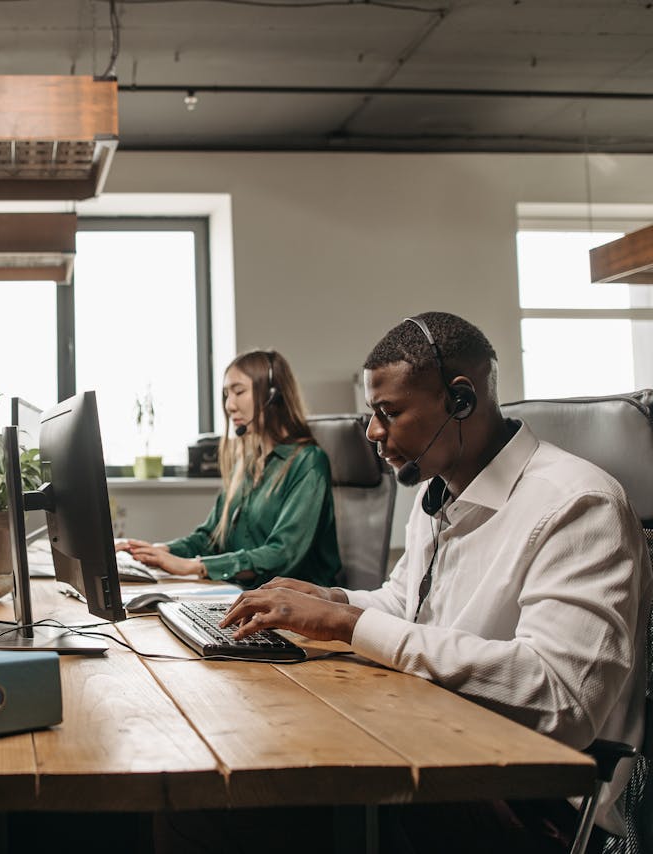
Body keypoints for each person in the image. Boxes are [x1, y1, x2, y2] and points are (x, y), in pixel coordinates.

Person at [222, 312, 651, 850]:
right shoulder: (438, 493)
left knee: (257, 813)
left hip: (537, 800)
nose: (374, 432)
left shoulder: (577, 504)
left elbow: (562, 700)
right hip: (448, 744)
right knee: (267, 754)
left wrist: (349, 623)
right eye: (370, 415)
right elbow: (405, 604)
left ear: (460, 399)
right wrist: (329, 601)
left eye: (389, 412)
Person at [116, 349, 341, 589]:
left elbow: (283, 554)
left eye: (239, 391)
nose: (229, 405)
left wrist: (195, 566)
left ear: (273, 395)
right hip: (240, 593)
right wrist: (159, 552)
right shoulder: (247, 463)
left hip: (297, 604)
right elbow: (210, 538)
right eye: (226, 394)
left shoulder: (308, 461)